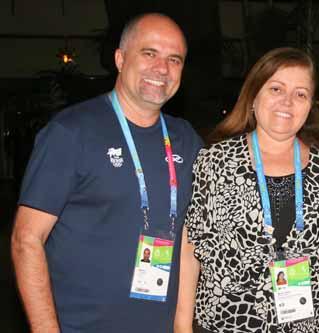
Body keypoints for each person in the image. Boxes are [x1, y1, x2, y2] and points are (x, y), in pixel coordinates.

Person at [10, 13, 203, 333]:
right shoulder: (72, 132)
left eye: (175, 59)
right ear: (120, 58)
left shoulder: (186, 139)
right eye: (149, 53)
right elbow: (26, 239)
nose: (162, 68)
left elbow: (187, 241)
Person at [175, 47, 319, 333]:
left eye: (300, 94)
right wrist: (182, 324)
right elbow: (191, 245)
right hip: (227, 323)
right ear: (254, 97)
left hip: (309, 325)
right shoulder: (215, 161)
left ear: (309, 106)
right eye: (276, 88)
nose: (287, 101)